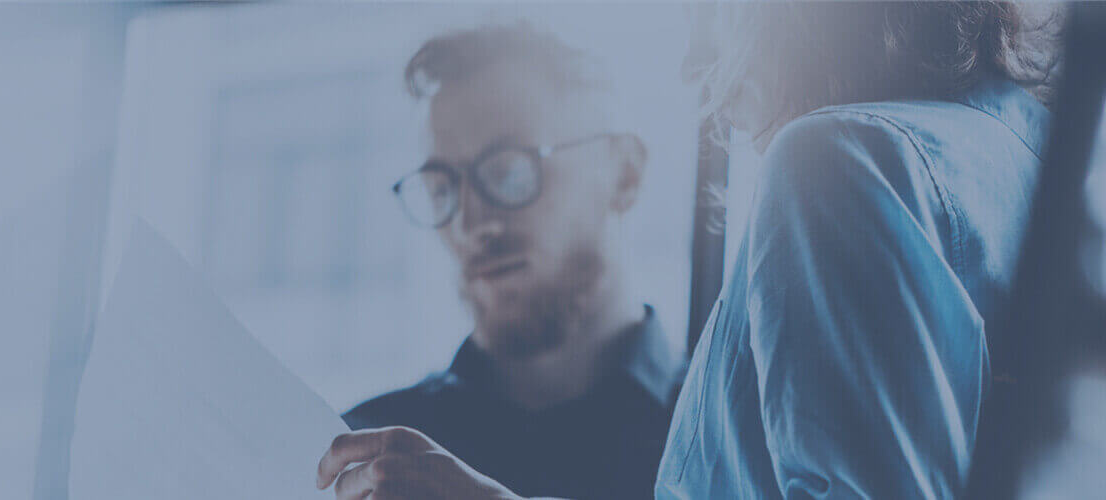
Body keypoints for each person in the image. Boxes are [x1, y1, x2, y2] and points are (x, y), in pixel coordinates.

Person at [318, 3, 1057, 498]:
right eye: (441, 185)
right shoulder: (1025, 164)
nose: (693, 70)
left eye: (509, 170)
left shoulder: (844, 161)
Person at [328, 22, 682, 500]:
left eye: (510, 171)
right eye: (441, 188)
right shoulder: (361, 459)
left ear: (624, 174)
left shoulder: (735, 438)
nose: (471, 224)